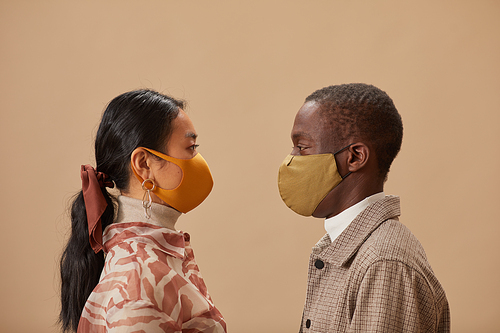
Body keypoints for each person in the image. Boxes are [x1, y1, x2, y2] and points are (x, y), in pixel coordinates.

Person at [277, 83, 450, 332]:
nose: (291, 160)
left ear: (355, 157)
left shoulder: (383, 263)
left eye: (302, 147)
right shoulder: (346, 247)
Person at [59, 89, 226, 333]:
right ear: (144, 164)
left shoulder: (151, 258)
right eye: (191, 147)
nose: (198, 158)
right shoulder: (139, 282)